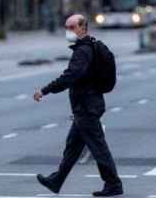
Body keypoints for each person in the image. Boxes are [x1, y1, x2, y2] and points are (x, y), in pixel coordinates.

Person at [34, 14, 123, 197]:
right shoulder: (89, 46)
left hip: (87, 107)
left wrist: (45, 90)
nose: (69, 31)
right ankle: (56, 180)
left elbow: (71, 76)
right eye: (67, 27)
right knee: (73, 146)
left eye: (72, 27)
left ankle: (113, 184)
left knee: (98, 147)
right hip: (86, 106)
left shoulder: (83, 51)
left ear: (83, 28)